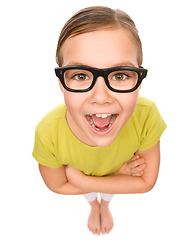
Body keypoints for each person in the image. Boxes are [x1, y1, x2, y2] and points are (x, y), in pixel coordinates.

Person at [32, 6, 166, 235]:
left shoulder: (146, 116)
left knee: (104, 193)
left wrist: (83, 180)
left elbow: (146, 183)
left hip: (101, 175)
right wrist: (117, 177)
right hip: (119, 173)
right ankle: (95, 205)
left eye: (120, 75)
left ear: (139, 79)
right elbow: (56, 186)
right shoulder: (48, 134)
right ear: (61, 82)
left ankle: (104, 204)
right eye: (81, 75)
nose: (101, 97)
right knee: (92, 195)